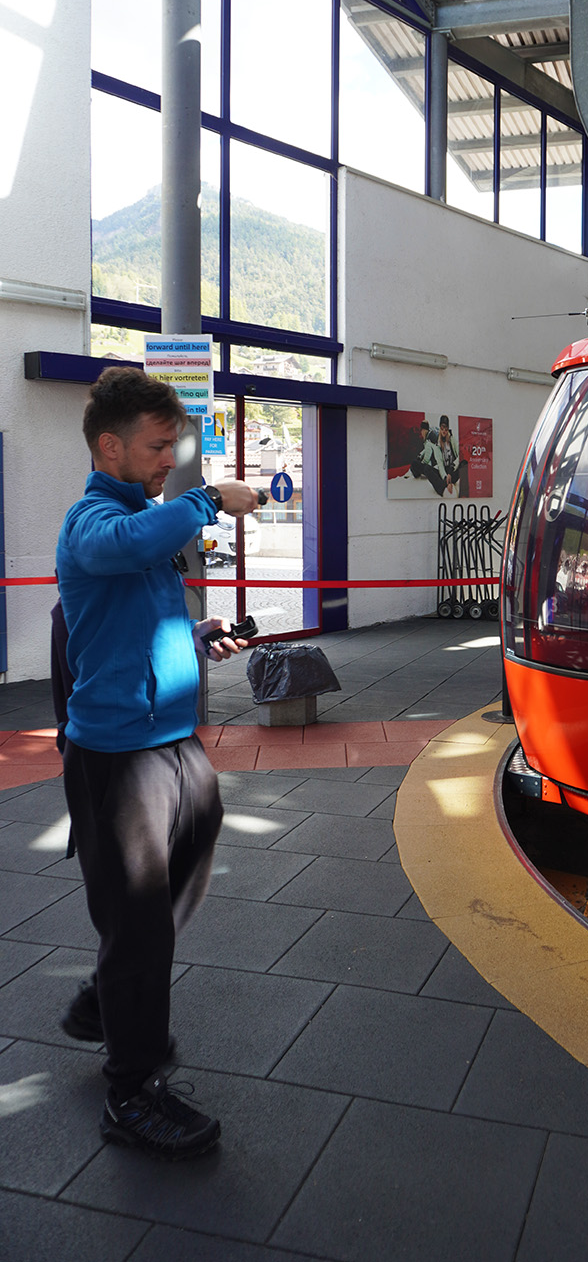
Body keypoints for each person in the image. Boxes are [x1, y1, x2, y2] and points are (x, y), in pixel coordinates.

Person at [55, 366, 261, 1160]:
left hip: (173, 741)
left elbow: (140, 618)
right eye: (156, 445)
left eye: (172, 444)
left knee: (185, 869)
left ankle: (109, 993)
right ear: (110, 448)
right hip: (119, 757)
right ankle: (130, 1092)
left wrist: (199, 637)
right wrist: (209, 499)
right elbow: (122, 548)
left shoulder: (142, 516)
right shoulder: (92, 520)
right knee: (140, 922)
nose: (169, 457)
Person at [435, 415, 468, 497]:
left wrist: (451, 469)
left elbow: (460, 456)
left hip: (452, 470)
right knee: (427, 469)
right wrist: (446, 478)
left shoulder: (452, 440)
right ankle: (445, 486)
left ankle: (464, 493)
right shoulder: (437, 444)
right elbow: (440, 464)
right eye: (442, 428)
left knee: (464, 463)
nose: (444, 431)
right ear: (439, 428)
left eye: (446, 429)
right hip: (444, 472)